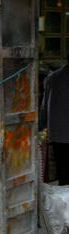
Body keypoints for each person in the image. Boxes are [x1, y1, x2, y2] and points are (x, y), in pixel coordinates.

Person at [40, 53, 69, 186]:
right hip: (61, 132)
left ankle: (65, 203)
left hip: (58, 133)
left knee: (63, 171)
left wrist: (41, 126)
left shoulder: (52, 78)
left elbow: (44, 106)